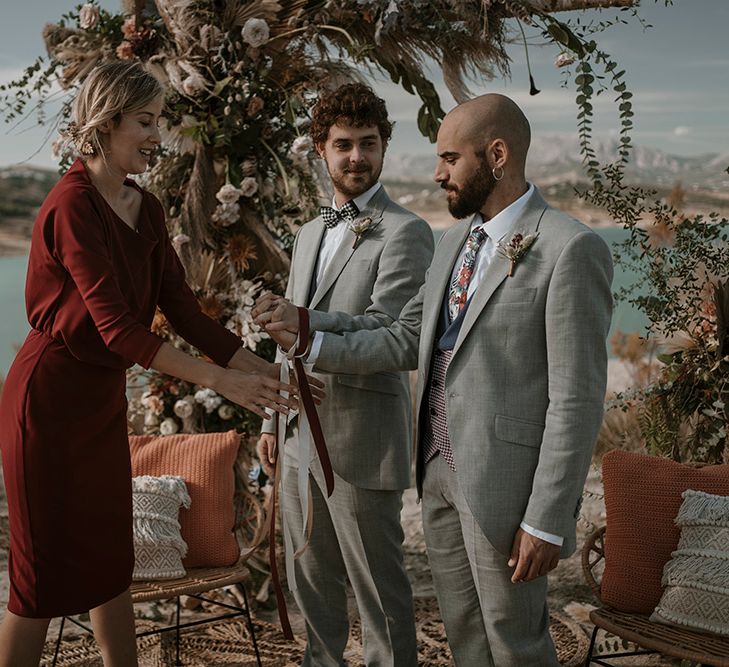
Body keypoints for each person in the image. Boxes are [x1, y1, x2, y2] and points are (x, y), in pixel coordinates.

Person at [254, 93, 614, 666]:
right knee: (465, 634)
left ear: (496, 155)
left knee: (515, 640)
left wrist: (547, 519)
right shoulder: (454, 243)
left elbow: (577, 399)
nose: (437, 172)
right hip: (438, 472)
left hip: (503, 480)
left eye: (450, 158)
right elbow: (403, 335)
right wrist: (303, 329)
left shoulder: (571, 247)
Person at [0, 62, 301, 667]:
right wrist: (225, 383)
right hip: (48, 407)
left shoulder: (149, 207)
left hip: (100, 405)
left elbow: (184, 314)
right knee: (38, 581)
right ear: (106, 122)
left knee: (112, 562)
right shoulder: (70, 205)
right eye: (146, 121)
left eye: (159, 120)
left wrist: (261, 371)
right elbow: (117, 330)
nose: (159, 136)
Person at [256, 82, 434, 666]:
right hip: (296, 435)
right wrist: (270, 418)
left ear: (384, 147)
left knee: (379, 594)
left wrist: (311, 340)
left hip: (359, 437)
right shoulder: (310, 233)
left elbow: (400, 336)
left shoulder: (406, 231)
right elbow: (289, 328)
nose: (356, 156)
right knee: (313, 587)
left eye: (368, 143)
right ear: (320, 150)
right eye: (343, 145)